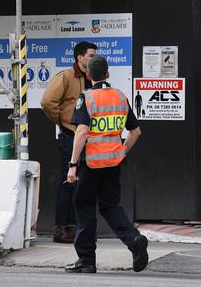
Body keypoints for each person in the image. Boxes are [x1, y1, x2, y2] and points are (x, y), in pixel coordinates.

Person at [64, 55, 149, 273]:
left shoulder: (87, 98)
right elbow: (136, 131)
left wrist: (73, 164)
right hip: (113, 162)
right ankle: (134, 239)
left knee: (83, 205)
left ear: (88, 75)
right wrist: (121, 150)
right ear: (108, 74)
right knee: (110, 207)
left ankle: (87, 260)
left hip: (91, 164)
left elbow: (81, 132)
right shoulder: (120, 97)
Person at [41, 41, 97, 243]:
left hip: (89, 137)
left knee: (82, 183)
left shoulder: (92, 78)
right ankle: (61, 228)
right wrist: (64, 122)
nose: (94, 59)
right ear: (79, 57)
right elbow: (48, 102)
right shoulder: (65, 77)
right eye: (91, 55)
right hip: (71, 136)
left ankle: (76, 227)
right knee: (68, 182)